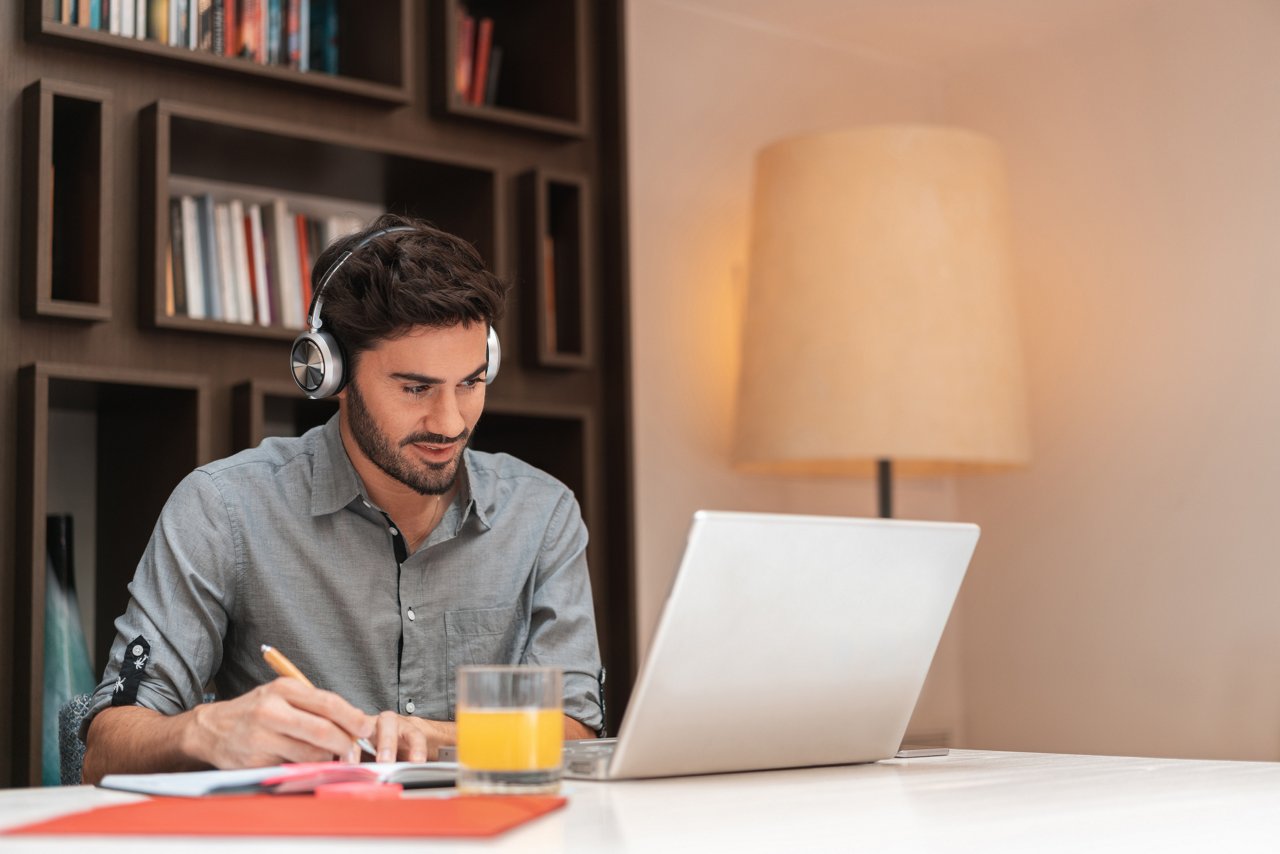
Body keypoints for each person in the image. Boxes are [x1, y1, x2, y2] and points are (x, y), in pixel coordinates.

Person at [81, 215, 603, 783]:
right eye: (415, 388)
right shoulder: (222, 508)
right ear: (329, 373)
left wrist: (436, 737)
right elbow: (103, 752)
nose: (450, 421)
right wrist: (206, 729)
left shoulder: (544, 512)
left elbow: (576, 734)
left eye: (471, 382)